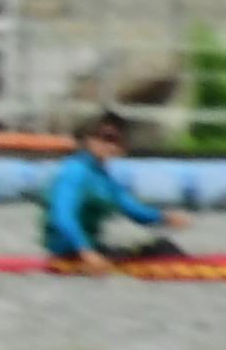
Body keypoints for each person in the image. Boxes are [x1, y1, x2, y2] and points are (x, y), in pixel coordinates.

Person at [44, 110, 187, 269]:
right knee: (164, 250)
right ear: (88, 139)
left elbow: (132, 210)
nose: (112, 146)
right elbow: (62, 217)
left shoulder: (102, 177)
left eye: (117, 141)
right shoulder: (74, 172)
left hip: (90, 250)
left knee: (162, 247)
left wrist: (163, 217)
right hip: (69, 255)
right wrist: (86, 252)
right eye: (106, 138)